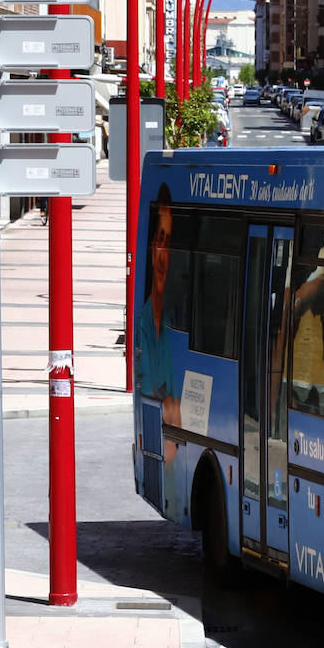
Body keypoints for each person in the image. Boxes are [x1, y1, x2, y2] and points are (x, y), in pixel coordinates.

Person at [135, 185, 182, 464]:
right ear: (152, 246)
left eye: (170, 242)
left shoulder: (168, 321)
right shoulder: (145, 320)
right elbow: (163, 405)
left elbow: (172, 406)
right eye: (161, 240)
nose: (164, 253)